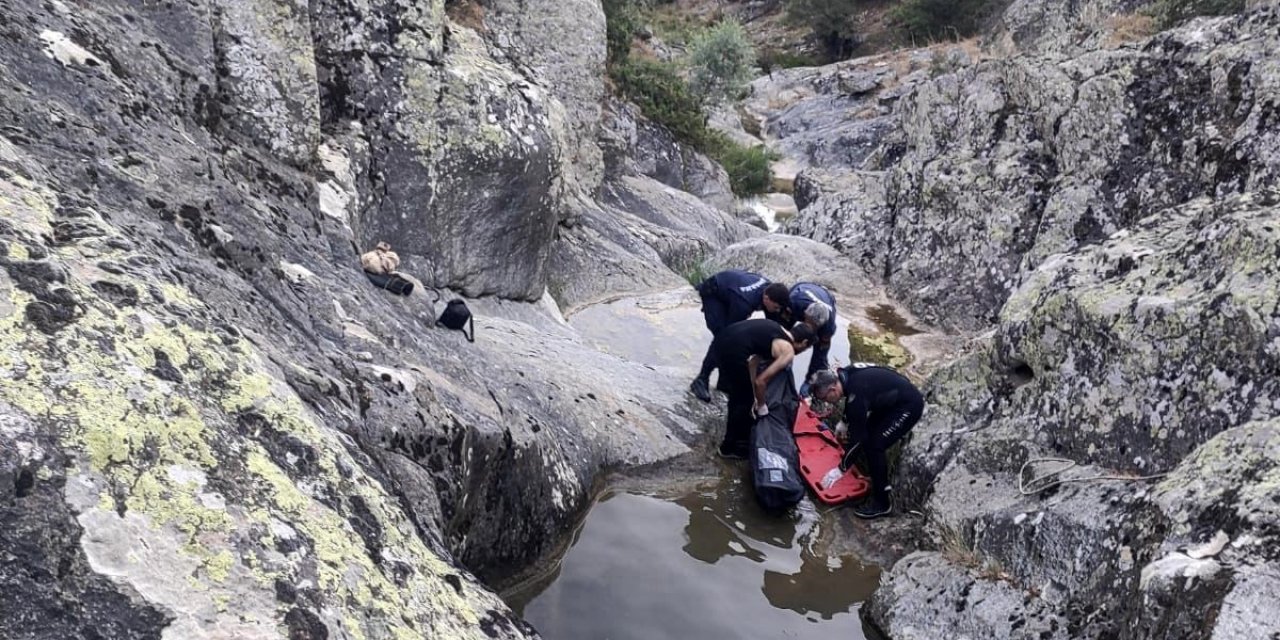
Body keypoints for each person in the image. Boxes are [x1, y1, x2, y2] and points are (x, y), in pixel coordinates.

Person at [808, 364, 923, 519]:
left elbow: (858, 439)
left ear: (833, 390)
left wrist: (841, 469)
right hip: (890, 401)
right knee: (870, 436)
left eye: (825, 399)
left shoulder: (856, 394)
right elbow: (853, 400)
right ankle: (876, 476)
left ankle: (882, 503)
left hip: (908, 406)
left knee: (875, 445)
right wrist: (844, 420)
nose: (828, 403)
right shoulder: (846, 374)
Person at [710, 319, 815, 459]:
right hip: (733, 351)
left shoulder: (776, 329)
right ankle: (729, 448)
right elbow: (761, 381)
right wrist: (761, 405)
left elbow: (753, 364)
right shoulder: (787, 351)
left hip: (721, 340)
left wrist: (753, 394)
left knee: (740, 395)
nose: (802, 351)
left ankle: (733, 442)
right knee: (742, 402)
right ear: (804, 342)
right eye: (806, 348)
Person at [689, 270, 790, 402]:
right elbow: (730, 336)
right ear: (766, 299)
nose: (777, 311)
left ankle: (723, 382)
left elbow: (773, 323)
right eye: (776, 307)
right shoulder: (744, 303)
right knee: (724, 337)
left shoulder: (770, 290)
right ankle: (701, 379)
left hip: (731, 288)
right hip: (714, 292)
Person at [764, 282, 838, 383]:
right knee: (779, 334)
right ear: (805, 314)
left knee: (820, 357)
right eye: (808, 322)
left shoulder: (828, 327)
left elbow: (820, 356)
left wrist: (812, 380)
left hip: (826, 296)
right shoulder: (794, 303)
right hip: (802, 288)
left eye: (813, 326)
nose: (808, 327)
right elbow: (778, 329)